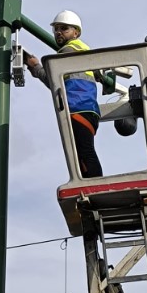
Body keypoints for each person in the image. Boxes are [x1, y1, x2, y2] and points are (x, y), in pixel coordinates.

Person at [24, 10, 103, 178]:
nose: (58, 32)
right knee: (83, 153)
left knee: (84, 152)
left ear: (76, 32)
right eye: (56, 29)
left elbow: (54, 81)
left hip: (77, 107)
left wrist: (36, 67)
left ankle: (94, 184)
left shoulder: (69, 50)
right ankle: (90, 183)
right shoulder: (85, 50)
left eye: (64, 28)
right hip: (87, 108)